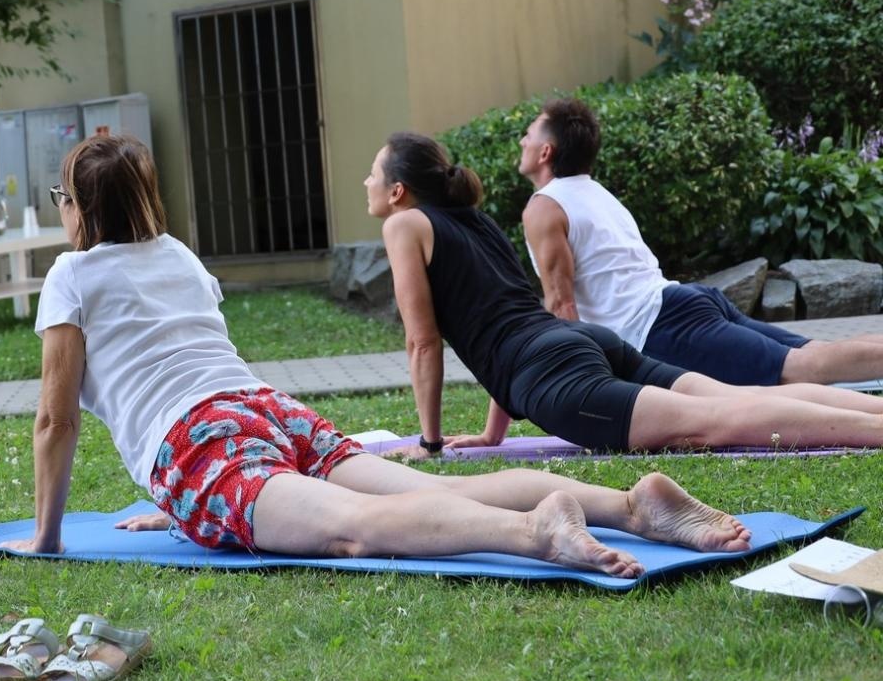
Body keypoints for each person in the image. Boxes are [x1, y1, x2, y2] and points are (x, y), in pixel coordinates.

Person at [0, 133, 753, 581]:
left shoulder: (72, 273)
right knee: (413, 488)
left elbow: (54, 421)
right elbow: (173, 360)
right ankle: (629, 506)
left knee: (354, 527)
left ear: (79, 207)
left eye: (63, 198)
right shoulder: (179, 257)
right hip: (265, 411)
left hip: (200, 444)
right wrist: (175, 500)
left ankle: (535, 533)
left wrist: (48, 537)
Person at [370, 131, 883, 458]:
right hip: (583, 340)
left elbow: (424, 343)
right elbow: (506, 316)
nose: (366, 180)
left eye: (374, 172)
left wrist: (430, 445)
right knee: (735, 398)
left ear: (398, 190)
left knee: (716, 422)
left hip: (552, 369)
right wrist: (492, 434)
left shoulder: (405, 225)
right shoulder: (474, 221)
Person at [518, 97, 883, 387]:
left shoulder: (543, 207)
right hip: (681, 305)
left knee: (802, 368)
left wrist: (591, 381)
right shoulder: (596, 193)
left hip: (660, 327)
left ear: (545, 151)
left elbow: (562, 305)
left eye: (529, 133)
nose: (522, 140)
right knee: (813, 352)